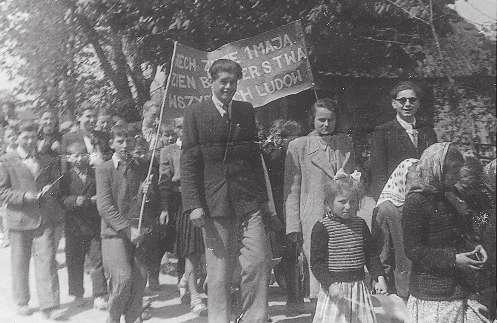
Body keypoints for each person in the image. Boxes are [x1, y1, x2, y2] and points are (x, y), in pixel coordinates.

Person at [181, 58, 270, 323]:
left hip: (247, 200)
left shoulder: (245, 110)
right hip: (213, 202)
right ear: (212, 82)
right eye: (223, 82)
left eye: (233, 82)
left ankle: (255, 317)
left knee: (258, 261)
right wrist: (193, 204)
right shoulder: (195, 113)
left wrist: (263, 201)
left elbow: (254, 158)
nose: (229, 87)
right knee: (219, 273)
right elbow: (188, 162)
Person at [403, 142, 489, 322]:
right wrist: (453, 259)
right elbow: (414, 250)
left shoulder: (451, 196)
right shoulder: (416, 201)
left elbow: (459, 234)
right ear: (437, 168)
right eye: (454, 170)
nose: (458, 176)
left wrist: (474, 246)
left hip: (456, 289)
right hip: (432, 293)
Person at [284, 98, 355, 302]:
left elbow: (354, 179)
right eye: (321, 120)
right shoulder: (299, 146)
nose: (326, 125)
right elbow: (291, 190)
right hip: (313, 216)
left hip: (342, 215)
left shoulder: (345, 143)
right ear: (312, 120)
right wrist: (293, 226)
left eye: (330, 120)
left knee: (341, 267)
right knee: (318, 269)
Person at [0, 121, 65, 319]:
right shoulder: (6, 160)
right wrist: (24, 196)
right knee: (20, 263)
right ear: (17, 137)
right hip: (19, 220)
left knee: (46, 262)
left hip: (43, 219)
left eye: (33, 138)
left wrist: (49, 190)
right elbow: (2, 192)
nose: (29, 141)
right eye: (25, 137)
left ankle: (50, 305)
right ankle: (22, 301)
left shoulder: (45, 159)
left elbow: (57, 184)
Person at [96, 125, 160, 323]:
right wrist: (126, 229)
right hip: (114, 234)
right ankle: (113, 317)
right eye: (120, 141)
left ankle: (132, 318)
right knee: (123, 279)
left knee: (140, 281)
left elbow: (145, 203)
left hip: (139, 231)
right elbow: (105, 206)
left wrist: (147, 193)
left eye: (129, 141)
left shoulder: (141, 166)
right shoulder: (104, 169)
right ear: (111, 144)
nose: (125, 145)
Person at [310, 175, 387, 323]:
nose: (348, 206)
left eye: (352, 202)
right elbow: (317, 263)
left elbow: (371, 255)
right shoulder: (322, 227)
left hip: (358, 289)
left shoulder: (360, 224)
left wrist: (379, 277)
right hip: (335, 290)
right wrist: (330, 284)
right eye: (342, 202)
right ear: (328, 204)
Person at [160, 117, 206, 314]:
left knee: (205, 248)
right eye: (179, 127)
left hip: (203, 201)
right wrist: (164, 208)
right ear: (175, 130)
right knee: (191, 249)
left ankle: (186, 280)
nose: (183, 130)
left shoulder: (200, 148)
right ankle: (195, 295)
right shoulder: (169, 151)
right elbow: (164, 182)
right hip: (182, 203)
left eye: (187, 126)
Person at [262, 119, 305, 313]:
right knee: (276, 253)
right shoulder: (274, 156)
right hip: (277, 208)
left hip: (294, 207)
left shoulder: (298, 153)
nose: (295, 141)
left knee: (291, 253)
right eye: (290, 137)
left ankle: (294, 296)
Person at [370, 81, 437, 199]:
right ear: (394, 104)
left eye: (412, 100)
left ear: (418, 103)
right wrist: (382, 202)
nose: (407, 104)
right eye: (402, 100)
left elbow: (435, 167)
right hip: (396, 197)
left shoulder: (428, 131)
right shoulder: (383, 132)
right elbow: (378, 173)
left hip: (426, 197)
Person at [61, 142, 108, 310]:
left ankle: (99, 294)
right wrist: (74, 200)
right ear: (68, 158)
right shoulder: (64, 177)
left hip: (93, 225)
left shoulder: (96, 174)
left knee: (97, 260)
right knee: (74, 261)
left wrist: (97, 199)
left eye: (82, 154)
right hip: (74, 227)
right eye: (74, 155)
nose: (79, 158)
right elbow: (59, 198)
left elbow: (104, 192)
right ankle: (77, 294)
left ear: (88, 156)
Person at [372, 158, 419, 300]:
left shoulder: (420, 206)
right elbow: (382, 254)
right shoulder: (386, 210)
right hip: (398, 287)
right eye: (413, 187)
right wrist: (380, 282)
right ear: (402, 183)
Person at [62, 102, 109, 167]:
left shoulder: (104, 136)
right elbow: (65, 166)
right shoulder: (68, 138)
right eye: (88, 116)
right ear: (78, 117)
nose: (92, 120)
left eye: (94, 116)